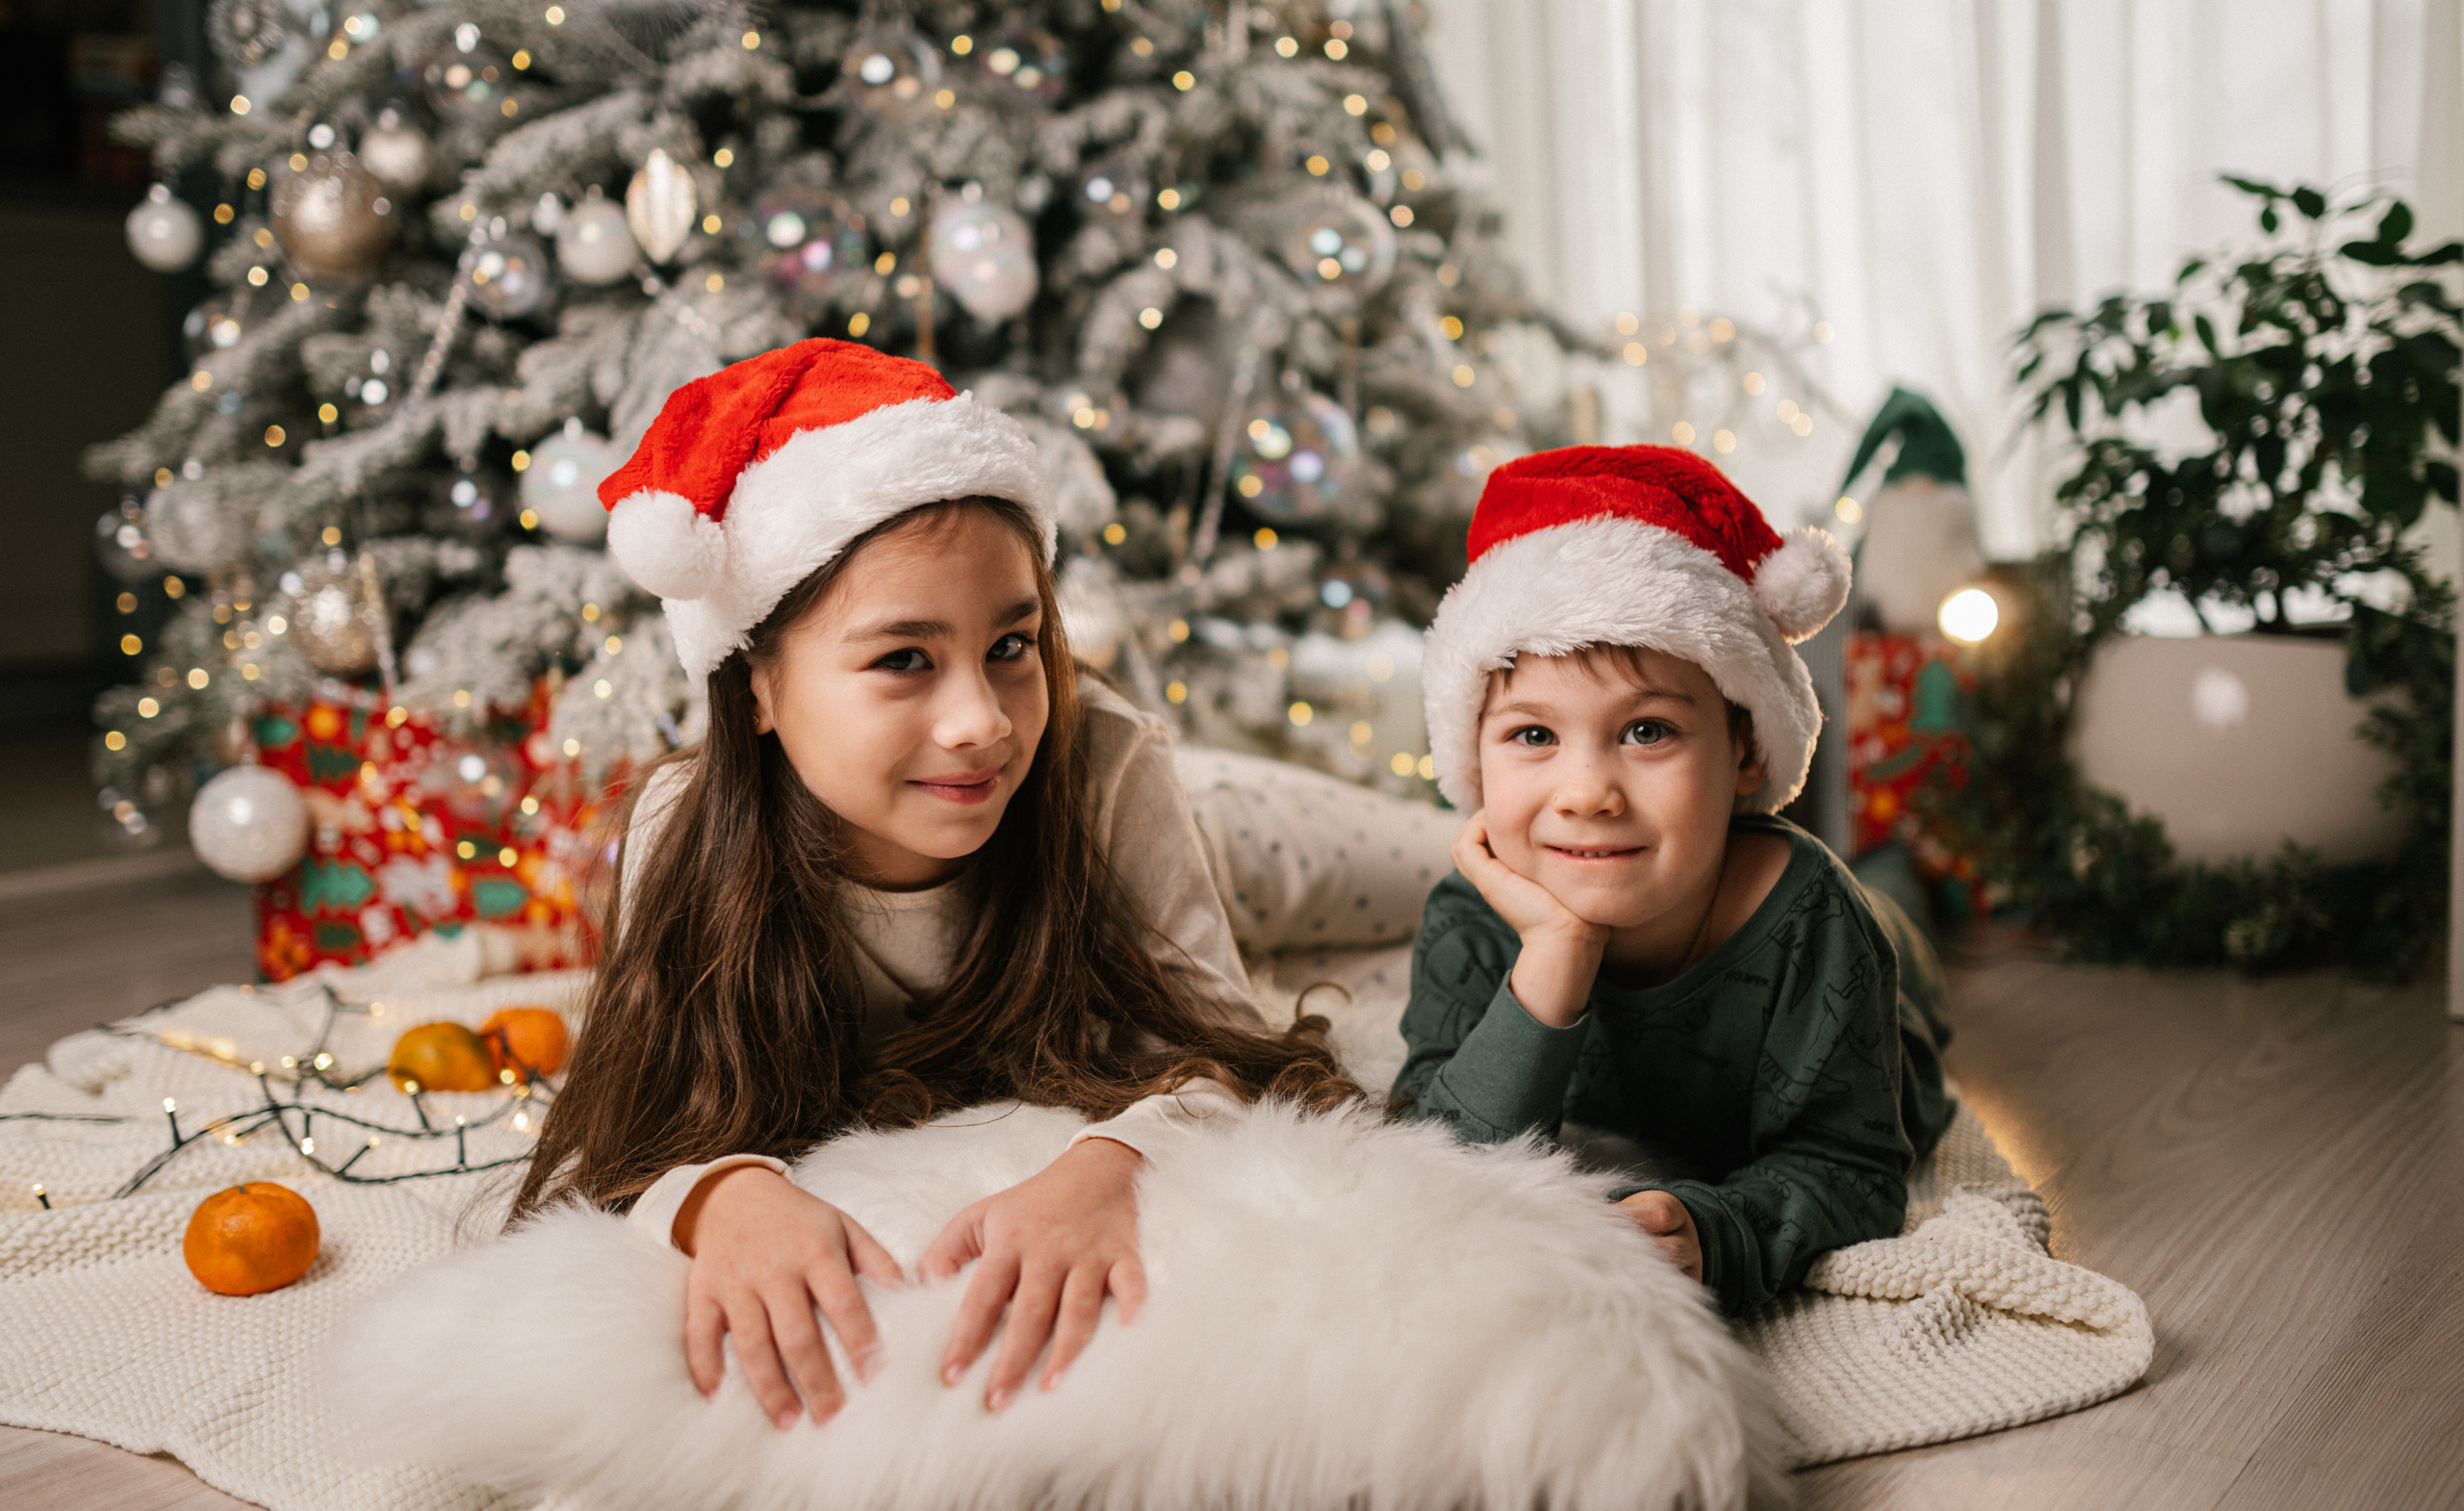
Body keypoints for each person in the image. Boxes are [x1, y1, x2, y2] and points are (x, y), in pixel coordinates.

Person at [509, 339, 1352, 1429]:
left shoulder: (1104, 759)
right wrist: (723, 1194)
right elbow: (626, 1129)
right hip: (1098, 811)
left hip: (1224, 829)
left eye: (1011, 645)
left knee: (1432, 857)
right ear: (756, 684)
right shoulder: (689, 828)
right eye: (904, 659)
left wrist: (1109, 1165)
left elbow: (1232, 1047)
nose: (980, 721)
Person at [1390, 445, 1955, 1319]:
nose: (1587, 794)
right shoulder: (1469, 917)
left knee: (1898, 913)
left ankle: (1899, 878)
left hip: (1885, 984)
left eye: (1647, 731)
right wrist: (1556, 953)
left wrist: (1719, 1229)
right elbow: (1437, 1163)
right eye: (1534, 736)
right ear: (1473, 754)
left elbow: (1852, 1166)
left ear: (1745, 750)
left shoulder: (1812, 920)